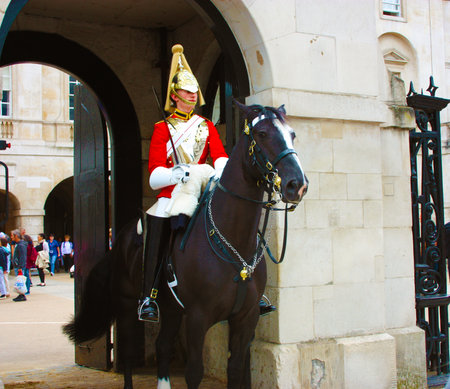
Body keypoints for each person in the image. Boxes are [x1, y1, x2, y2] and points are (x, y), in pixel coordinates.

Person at [138, 44, 228, 322]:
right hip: (171, 192)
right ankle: (148, 297)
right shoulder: (161, 128)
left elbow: (220, 155)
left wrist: (222, 172)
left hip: (201, 186)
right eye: (188, 93)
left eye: (195, 92)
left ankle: (246, 284)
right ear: (175, 96)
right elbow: (153, 176)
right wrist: (176, 173)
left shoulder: (205, 125)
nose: (193, 97)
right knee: (159, 225)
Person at [11, 229, 27, 302]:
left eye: (12, 236)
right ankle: (21, 294)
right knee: (19, 281)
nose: (11, 237)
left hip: (19, 266)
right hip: (18, 265)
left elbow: (22, 256)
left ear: (16, 236)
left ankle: (22, 295)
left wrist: (20, 266)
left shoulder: (21, 245)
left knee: (20, 281)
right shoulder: (19, 244)